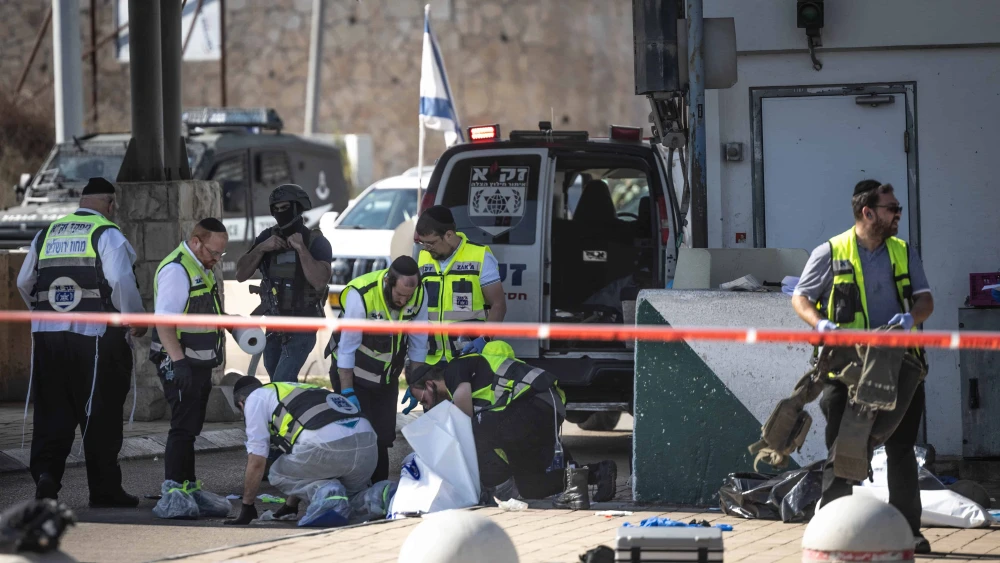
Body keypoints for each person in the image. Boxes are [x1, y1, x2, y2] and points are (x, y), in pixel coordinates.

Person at [791, 180, 934, 554]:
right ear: (867, 212)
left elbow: (925, 300)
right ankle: (834, 532)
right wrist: (819, 324)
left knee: (902, 449)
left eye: (897, 208)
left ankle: (908, 533)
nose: (898, 214)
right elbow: (800, 297)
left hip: (900, 366)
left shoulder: (902, 251)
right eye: (891, 209)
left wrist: (908, 319)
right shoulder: (831, 251)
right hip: (846, 368)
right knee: (843, 449)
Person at [15, 177, 145, 507]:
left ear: (81, 200)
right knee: (100, 413)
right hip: (96, 340)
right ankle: (104, 490)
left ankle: (46, 478)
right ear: (110, 204)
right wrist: (134, 320)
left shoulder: (47, 234)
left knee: (53, 410)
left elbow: (24, 281)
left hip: (48, 338)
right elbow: (120, 282)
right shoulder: (107, 234)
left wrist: (44, 313)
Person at [405, 340, 617, 505]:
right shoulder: (464, 378)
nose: (425, 404)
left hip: (535, 402)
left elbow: (463, 417)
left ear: (430, 383)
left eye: (423, 398)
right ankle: (595, 472)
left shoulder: (455, 369)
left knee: (473, 435)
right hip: (537, 410)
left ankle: (492, 491)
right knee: (531, 487)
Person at [149, 218, 229, 516]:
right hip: (180, 359)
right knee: (182, 425)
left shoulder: (199, 266)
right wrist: (179, 362)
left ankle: (188, 487)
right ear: (196, 241)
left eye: (221, 254)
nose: (217, 259)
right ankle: (173, 490)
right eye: (214, 252)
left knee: (192, 424)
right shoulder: (177, 270)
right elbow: (164, 321)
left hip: (198, 360)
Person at [325, 255, 428, 484]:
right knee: (361, 435)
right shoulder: (361, 295)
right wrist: (347, 392)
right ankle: (354, 489)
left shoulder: (419, 296)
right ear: (389, 282)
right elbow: (347, 349)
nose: (404, 301)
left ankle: (377, 492)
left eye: (408, 296)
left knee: (383, 437)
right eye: (400, 294)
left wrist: (415, 382)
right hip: (352, 376)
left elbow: (419, 344)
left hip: (385, 378)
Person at [224, 376, 378, 525]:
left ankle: (328, 492)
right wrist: (290, 506)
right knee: (354, 499)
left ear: (242, 404)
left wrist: (247, 506)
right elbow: (302, 469)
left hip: (326, 445)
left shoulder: (254, 399)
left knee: (277, 473)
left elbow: (257, 461)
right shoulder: (294, 389)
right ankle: (381, 495)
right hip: (368, 444)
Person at [405, 205, 506, 412]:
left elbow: (498, 305)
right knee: (437, 429)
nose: (427, 248)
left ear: (449, 235)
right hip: (432, 361)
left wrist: (484, 339)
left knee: (466, 425)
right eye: (423, 243)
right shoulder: (424, 258)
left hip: (467, 360)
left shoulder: (479, 257)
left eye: (431, 242)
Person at [235, 184, 332, 383]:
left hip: (303, 324)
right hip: (274, 324)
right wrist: (262, 248)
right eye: (276, 209)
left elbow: (320, 281)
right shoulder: (267, 238)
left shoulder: (315, 242)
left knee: (282, 380)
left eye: (285, 207)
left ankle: (287, 412)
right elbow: (241, 274)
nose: (280, 213)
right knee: (278, 380)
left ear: (297, 208)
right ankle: (288, 412)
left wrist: (301, 249)